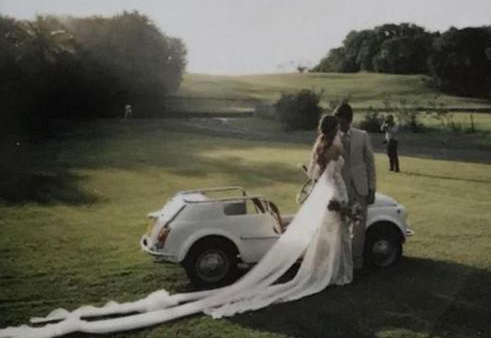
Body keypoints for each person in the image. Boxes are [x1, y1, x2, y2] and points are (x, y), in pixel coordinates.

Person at [0, 115, 353, 337]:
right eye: (337, 129)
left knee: (322, 234)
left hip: (321, 196)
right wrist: (343, 200)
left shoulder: (318, 150)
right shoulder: (335, 151)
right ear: (335, 130)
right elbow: (332, 179)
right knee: (330, 236)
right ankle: (331, 273)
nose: (338, 133)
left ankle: (327, 270)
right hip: (331, 198)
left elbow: (313, 175)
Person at [333, 102, 376, 270]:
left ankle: (357, 261)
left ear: (349, 120)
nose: (340, 125)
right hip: (341, 188)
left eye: (342, 121)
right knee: (340, 224)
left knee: (359, 224)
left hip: (361, 187)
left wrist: (372, 188)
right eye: (338, 121)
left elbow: (370, 163)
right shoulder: (333, 137)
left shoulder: (362, 135)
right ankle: (342, 260)